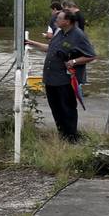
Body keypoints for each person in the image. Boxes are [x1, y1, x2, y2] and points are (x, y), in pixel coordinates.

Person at [27, 8, 96, 142]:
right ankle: (62, 135)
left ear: (67, 21)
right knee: (56, 109)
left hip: (65, 80)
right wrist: (32, 43)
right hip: (51, 79)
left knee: (67, 109)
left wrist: (74, 61)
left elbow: (91, 55)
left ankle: (71, 138)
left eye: (59, 18)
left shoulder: (78, 35)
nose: (56, 20)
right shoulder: (59, 33)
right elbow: (50, 48)